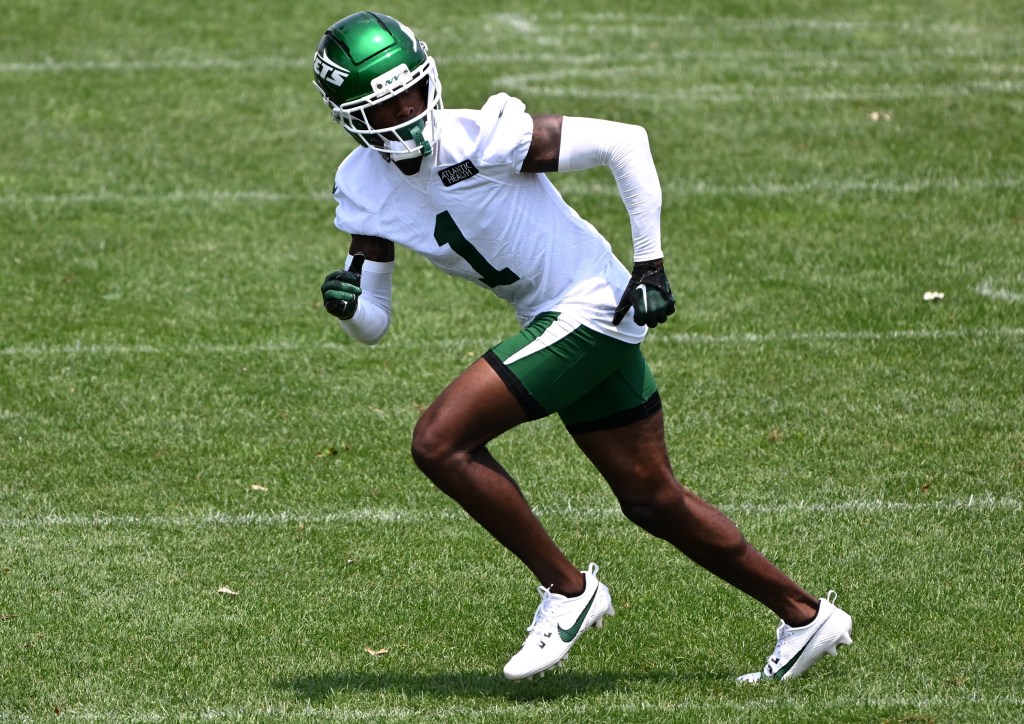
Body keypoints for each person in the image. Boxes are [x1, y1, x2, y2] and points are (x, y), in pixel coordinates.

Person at [313, 10, 853, 682]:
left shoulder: (484, 134)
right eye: (386, 104)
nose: (407, 112)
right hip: (555, 314)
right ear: (351, 115)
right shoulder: (363, 185)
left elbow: (625, 142)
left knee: (438, 441)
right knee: (653, 500)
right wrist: (348, 307)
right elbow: (374, 320)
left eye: (413, 92)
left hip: (593, 305)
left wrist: (650, 264)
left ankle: (568, 591)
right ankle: (806, 616)